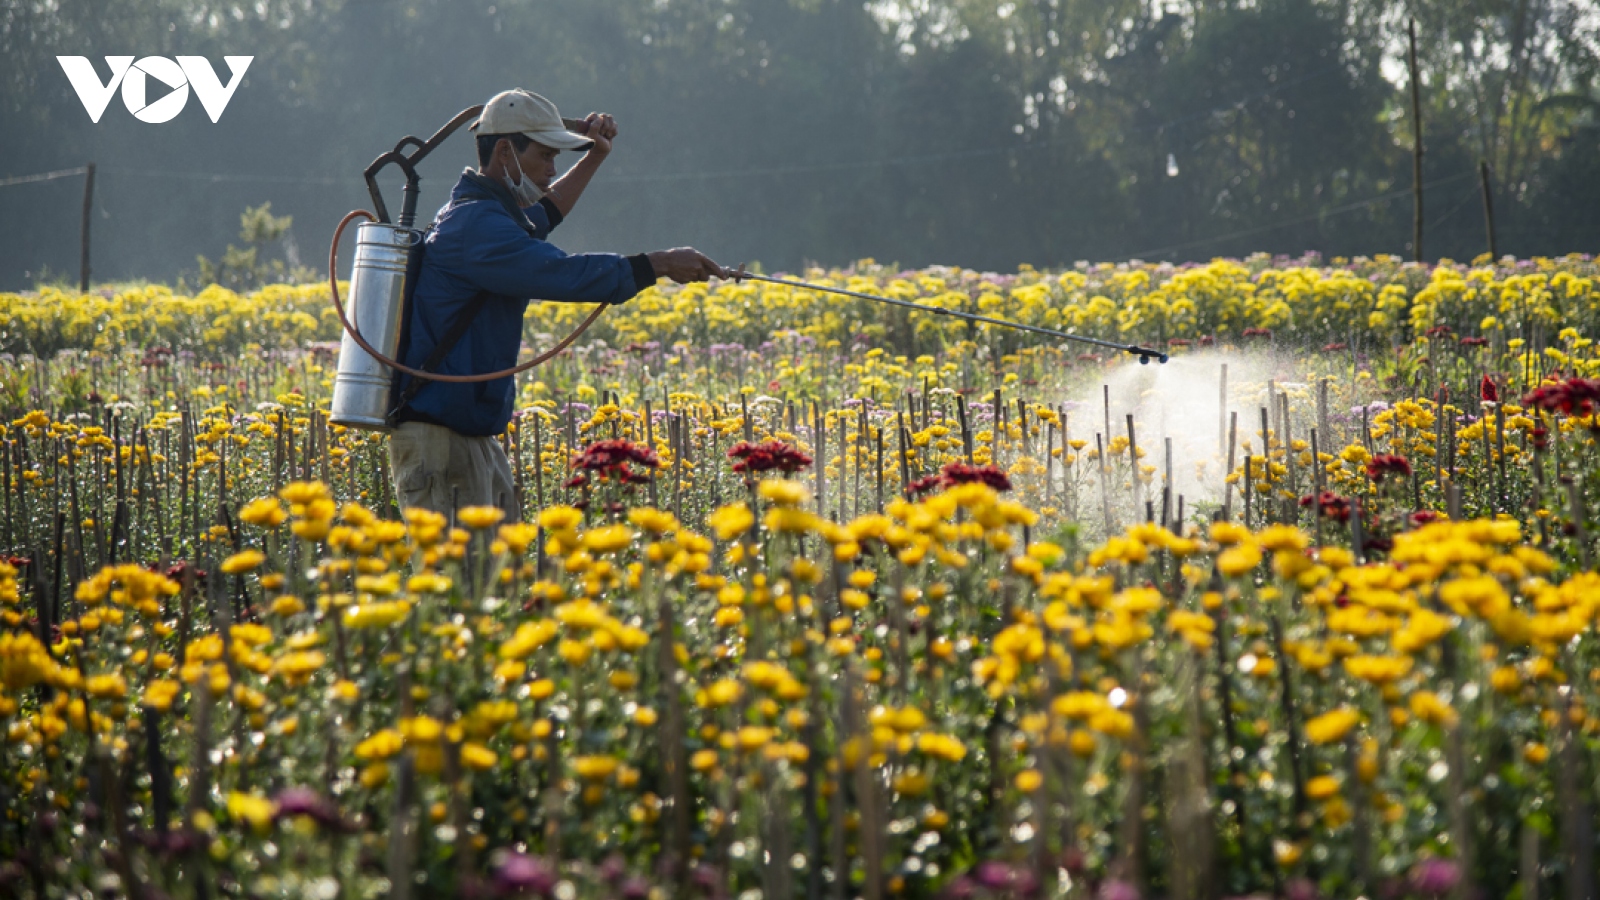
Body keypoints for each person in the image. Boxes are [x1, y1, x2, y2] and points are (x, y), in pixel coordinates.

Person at [387, 88, 728, 521]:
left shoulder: (488, 215)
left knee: (497, 582)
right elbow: (559, 273)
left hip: (470, 437)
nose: (551, 170)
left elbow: (543, 216)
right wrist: (656, 264)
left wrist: (595, 156)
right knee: (458, 584)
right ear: (506, 152)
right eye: (546, 156)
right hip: (440, 442)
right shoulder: (475, 226)